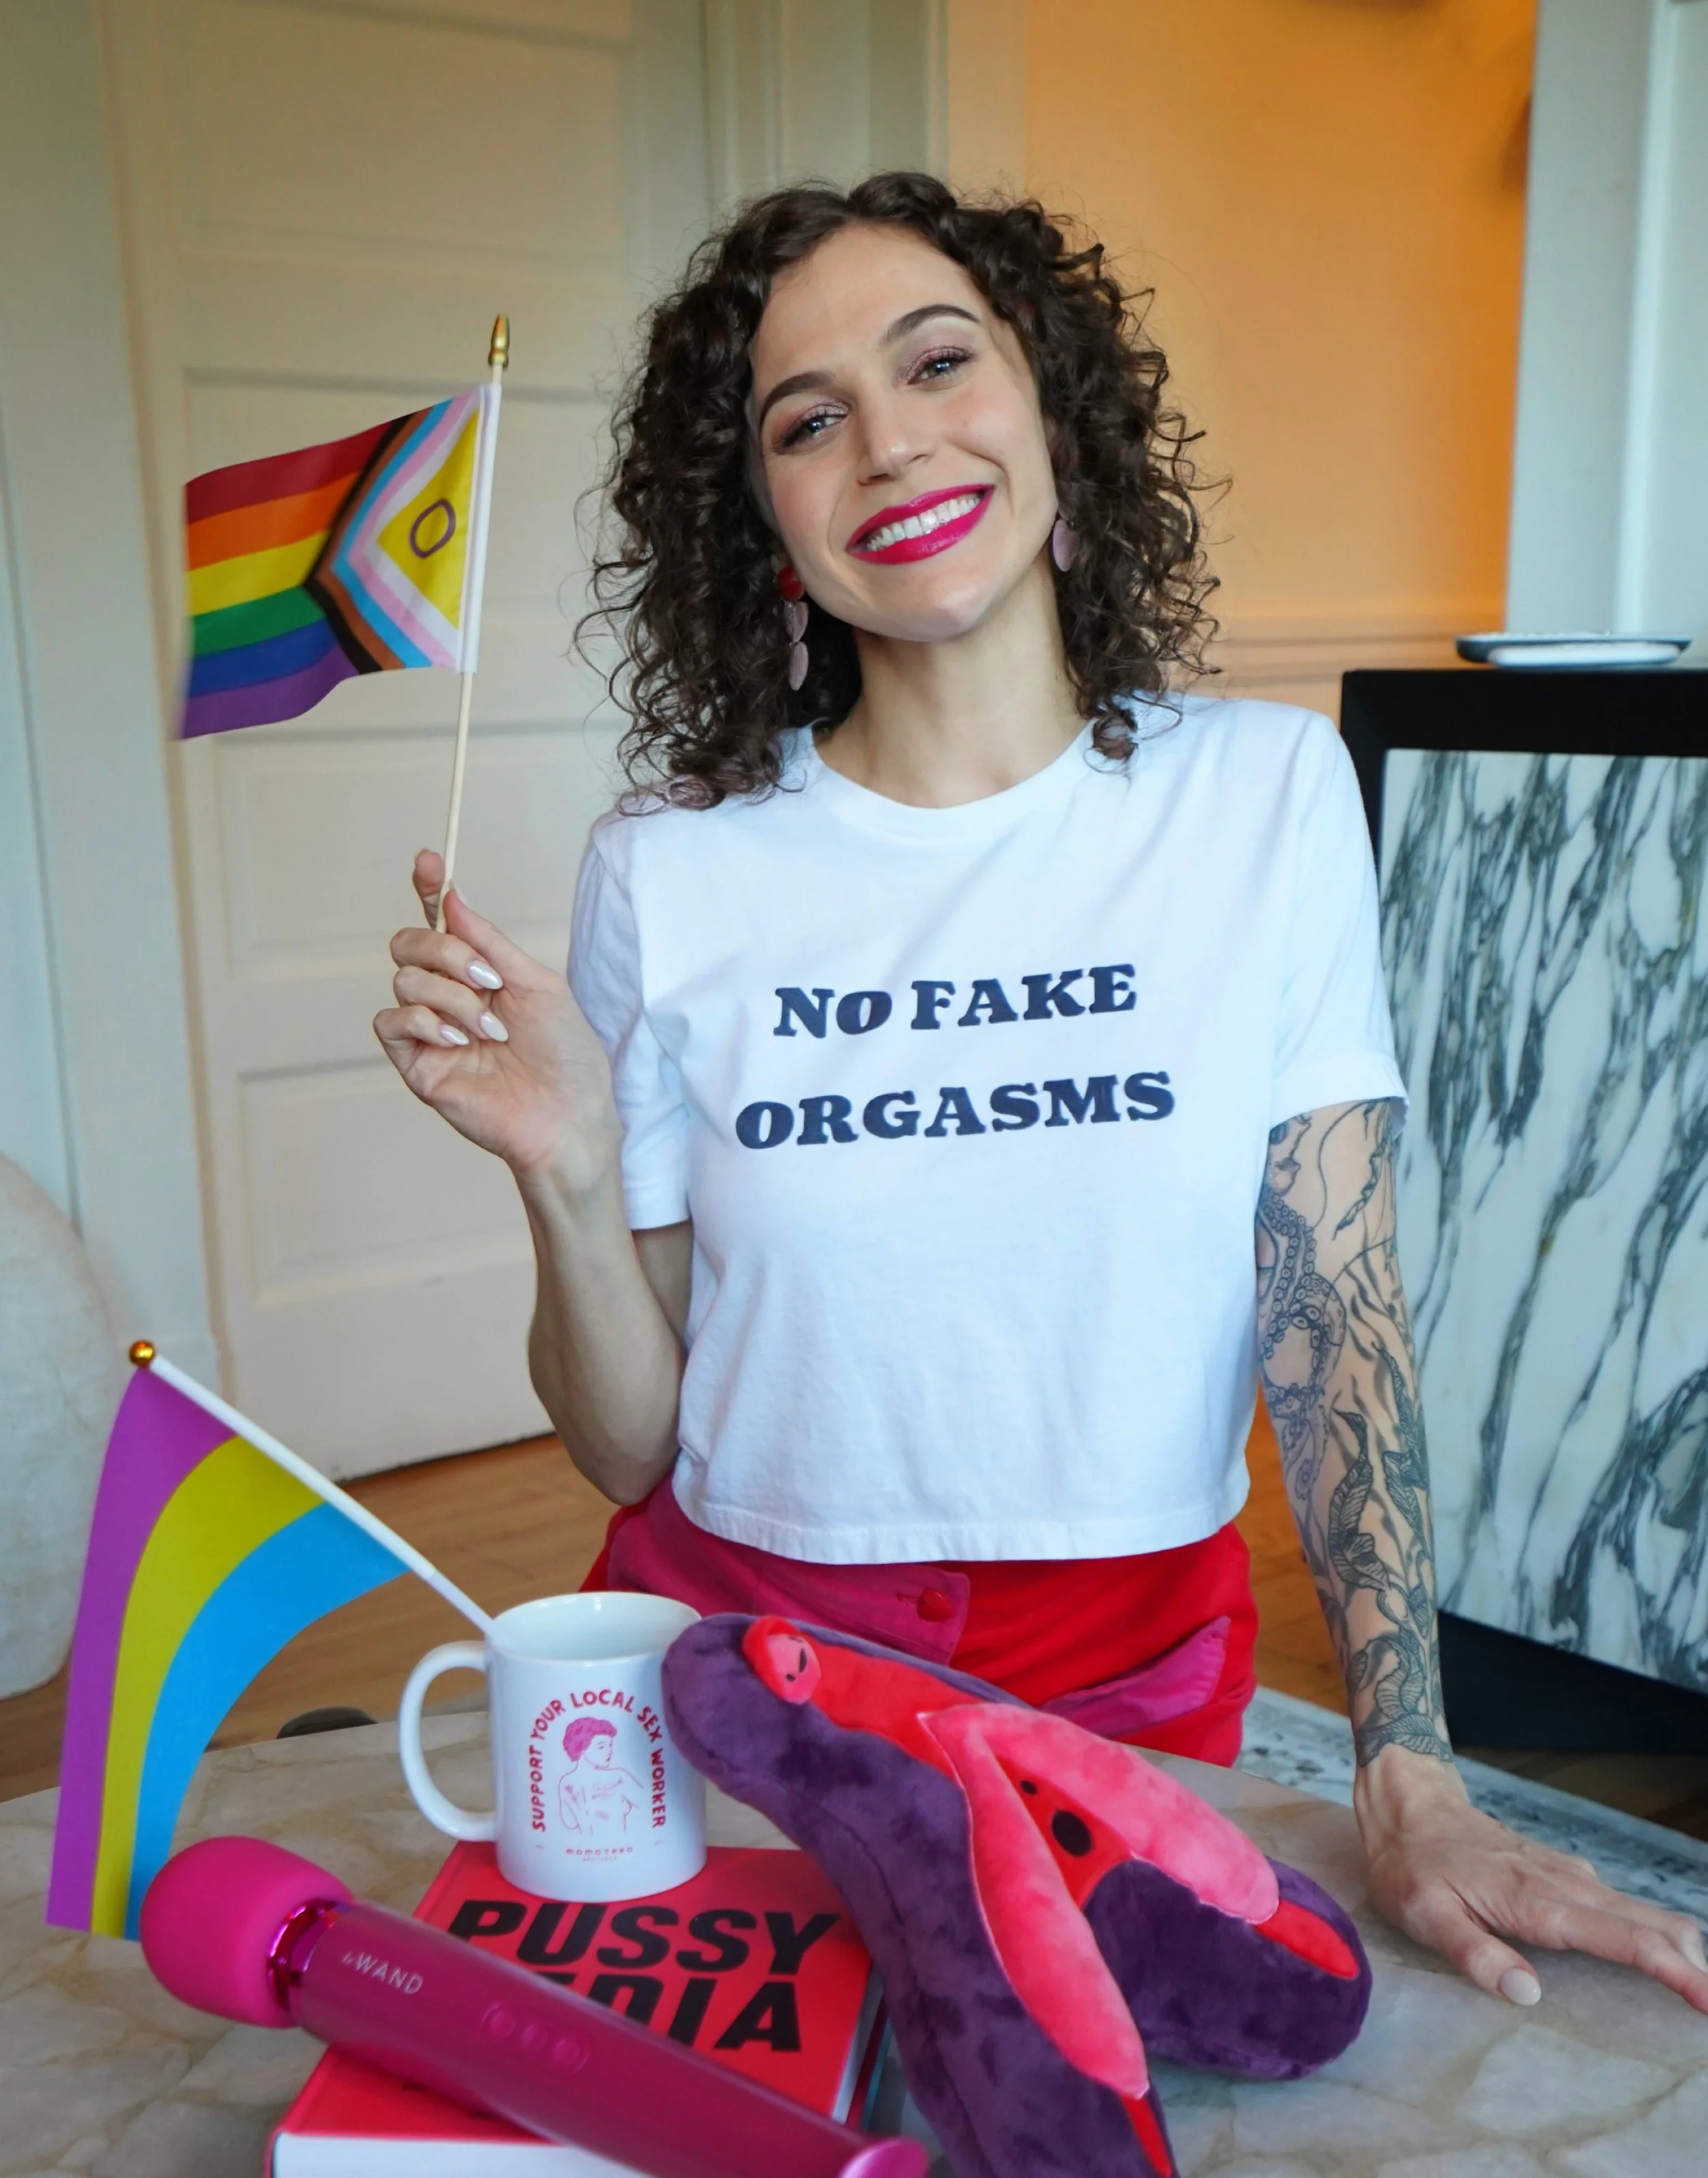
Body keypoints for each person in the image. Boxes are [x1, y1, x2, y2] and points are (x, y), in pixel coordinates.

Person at [376, 172, 1707, 2014]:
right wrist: (567, 1174)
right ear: (765, 521)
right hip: (744, 1650)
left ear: (1051, 414)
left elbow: (1333, 1307)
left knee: (1150, 2084)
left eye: (937, 360)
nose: (889, 440)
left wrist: (1405, 1760)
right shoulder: (668, 869)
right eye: (805, 418)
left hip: (1128, 1658)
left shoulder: (1262, 797)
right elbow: (624, 1449)